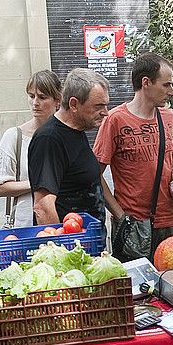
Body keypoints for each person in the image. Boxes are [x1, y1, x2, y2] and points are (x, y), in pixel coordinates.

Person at [95, 52, 173, 257]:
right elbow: (95, 174)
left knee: (171, 284)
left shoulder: (169, 118)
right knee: (137, 287)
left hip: (170, 222)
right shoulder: (115, 120)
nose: (172, 91)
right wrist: (119, 214)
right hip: (132, 226)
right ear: (146, 82)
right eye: (166, 85)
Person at [28, 68, 110, 227]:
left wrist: (120, 215)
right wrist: (61, 248)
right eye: (98, 106)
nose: (105, 113)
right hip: (70, 247)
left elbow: (93, 179)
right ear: (73, 104)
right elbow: (43, 207)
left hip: (88, 243)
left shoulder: (77, 129)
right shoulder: (49, 139)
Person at [0, 70, 62, 227]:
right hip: (24, 227)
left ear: (57, 100)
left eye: (42, 97)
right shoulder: (14, 136)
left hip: (62, 223)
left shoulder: (65, 136)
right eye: (31, 96)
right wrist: (41, 183)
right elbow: (0, 187)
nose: (35, 102)